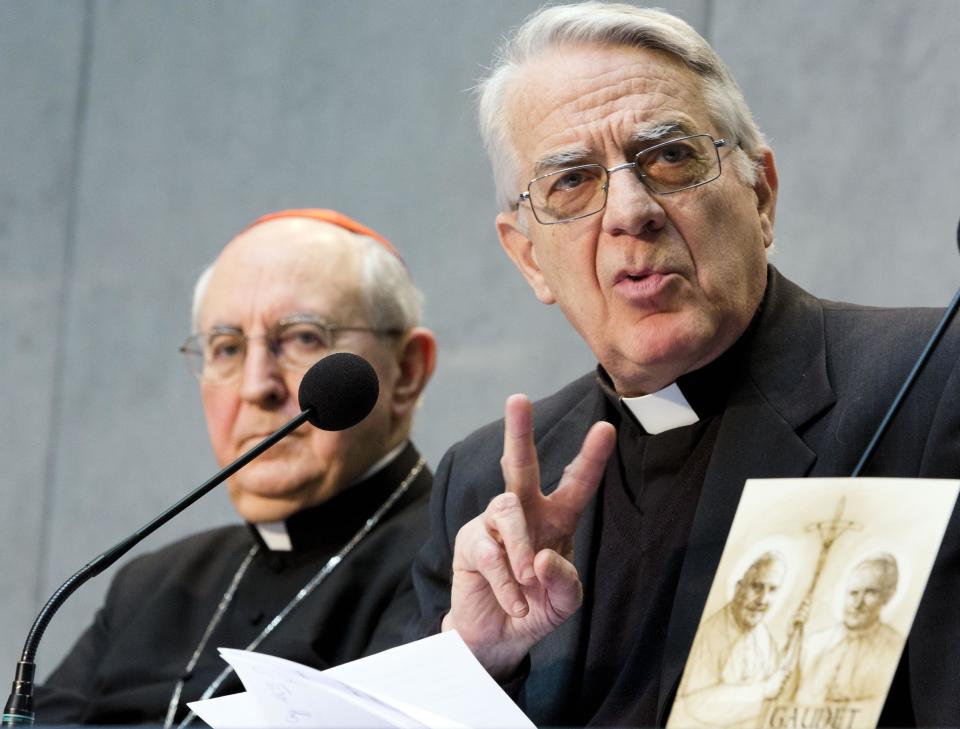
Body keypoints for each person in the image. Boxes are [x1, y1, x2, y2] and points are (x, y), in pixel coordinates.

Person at [410, 3, 960, 726]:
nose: (630, 210)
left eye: (670, 156)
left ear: (761, 196)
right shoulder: (483, 487)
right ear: (527, 258)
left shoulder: (924, 384)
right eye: (571, 181)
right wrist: (476, 665)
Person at [35, 209, 438, 726]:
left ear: (406, 371)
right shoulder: (148, 584)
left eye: (302, 339)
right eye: (226, 348)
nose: (255, 386)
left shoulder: (453, 560)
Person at [673, 552, 789, 727]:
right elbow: (696, 703)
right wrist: (763, 691)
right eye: (757, 587)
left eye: (772, 590)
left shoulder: (764, 637)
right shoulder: (711, 632)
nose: (763, 600)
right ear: (738, 588)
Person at [797, 554, 904, 705]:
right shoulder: (815, 643)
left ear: (887, 596)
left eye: (870, 592)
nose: (857, 603)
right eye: (853, 593)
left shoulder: (895, 648)